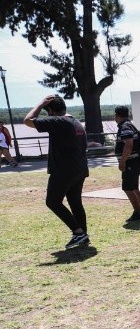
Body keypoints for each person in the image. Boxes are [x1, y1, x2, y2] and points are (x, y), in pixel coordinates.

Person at [23, 95, 89, 249]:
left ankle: (79, 232)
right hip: (80, 168)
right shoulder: (76, 122)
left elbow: (28, 120)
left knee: (52, 201)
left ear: (51, 111)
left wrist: (40, 103)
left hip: (64, 170)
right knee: (75, 202)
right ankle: (83, 235)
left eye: (48, 111)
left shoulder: (58, 121)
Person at [113, 106, 140, 222]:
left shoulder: (125, 126)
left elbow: (128, 145)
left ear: (117, 115)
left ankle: (138, 213)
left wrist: (122, 162)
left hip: (131, 162)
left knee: (128, 188)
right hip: (135, 162)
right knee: (133, 187)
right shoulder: (129, 124)